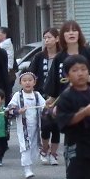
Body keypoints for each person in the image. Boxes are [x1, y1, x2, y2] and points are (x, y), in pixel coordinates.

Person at [43, 19, 90, 100]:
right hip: (68, 100)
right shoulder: (59, 57)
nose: (71, 33)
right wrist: (51, 100)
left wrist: (80, 78)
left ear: (79, 34)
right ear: (63, 36)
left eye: (74, 30)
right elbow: (54, 85)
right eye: (67, 31)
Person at [29, 28, 62, 165]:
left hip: (59, 95)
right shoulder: (39, 57)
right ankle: (44, 149)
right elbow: (31, 74)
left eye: (49, 37)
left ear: (57, 39)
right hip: (43, 95)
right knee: (46, 124)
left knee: (56, 125)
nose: (46, 40)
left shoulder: (62, 56)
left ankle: (53, 153)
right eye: (45, 38)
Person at [7, 70, 45, 179]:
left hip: (36, 127)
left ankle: (30, 166)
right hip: (24, 128)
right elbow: (10, 109)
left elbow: (44, 107)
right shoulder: (18, 95)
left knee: (34, 147)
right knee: (25, 147)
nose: (27, 83)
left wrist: (48, 107)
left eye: (30, 80)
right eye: (24, 80)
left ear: (34, 82)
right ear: (20, 83)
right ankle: (27, 169)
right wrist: (18, 111)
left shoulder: (37, 95)